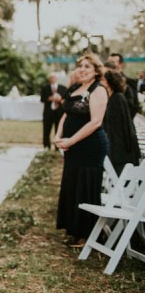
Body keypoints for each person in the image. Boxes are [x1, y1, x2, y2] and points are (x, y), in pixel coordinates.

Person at [55, 53, 109, 248]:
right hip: (72, 146)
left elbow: (95, 122)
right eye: (80, 66)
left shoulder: (98, 90)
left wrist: (71, 140)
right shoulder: (76, 88)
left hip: (90, 146)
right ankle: (74, 231)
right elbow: (66, 114)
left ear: (96, 70)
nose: (82, 69)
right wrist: (59, 135)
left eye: (87, 66)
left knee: (85, 187)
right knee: (72, 185)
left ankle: (87, 235)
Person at [101, 70, 141, 175]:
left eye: (103, 80)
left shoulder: (118, 97)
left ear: (109, 82)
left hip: (119, 145)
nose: (101, 82)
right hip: (112, 142)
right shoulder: (110, 97)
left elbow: (122, 126)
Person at [40, 73, 67, 149]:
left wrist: (60, 99)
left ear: (56, 78)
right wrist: (50, 98)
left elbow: (66, 100)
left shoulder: (63, 88)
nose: (52, 79)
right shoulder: (45, 88)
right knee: (46, 130)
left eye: (54, 77)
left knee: (58, 130)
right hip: (48, 112)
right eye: (51, 77)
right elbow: (42, 99)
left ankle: (57, 147)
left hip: (59, 113)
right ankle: (46, 146)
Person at [108, 53, 139, 118]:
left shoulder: (130, 82)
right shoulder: (103, 81)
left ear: (121, 65)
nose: (109, 64)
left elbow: (134, 106)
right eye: (108, 62)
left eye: (112, 62)